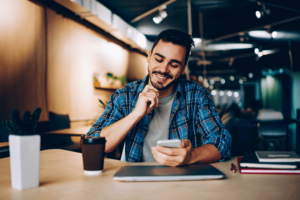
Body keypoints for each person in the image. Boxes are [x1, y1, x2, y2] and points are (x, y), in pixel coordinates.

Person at [86, 29, 232, 167]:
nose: (163, 69)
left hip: (182, 182)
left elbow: (222, 141)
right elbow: (93, 141)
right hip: (135, 181)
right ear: (149, 57)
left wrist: (191, 156)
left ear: (183, 68)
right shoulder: (124, 95)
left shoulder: (197, 96)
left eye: (174, 64)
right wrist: (136, 114)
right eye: (159, 59)